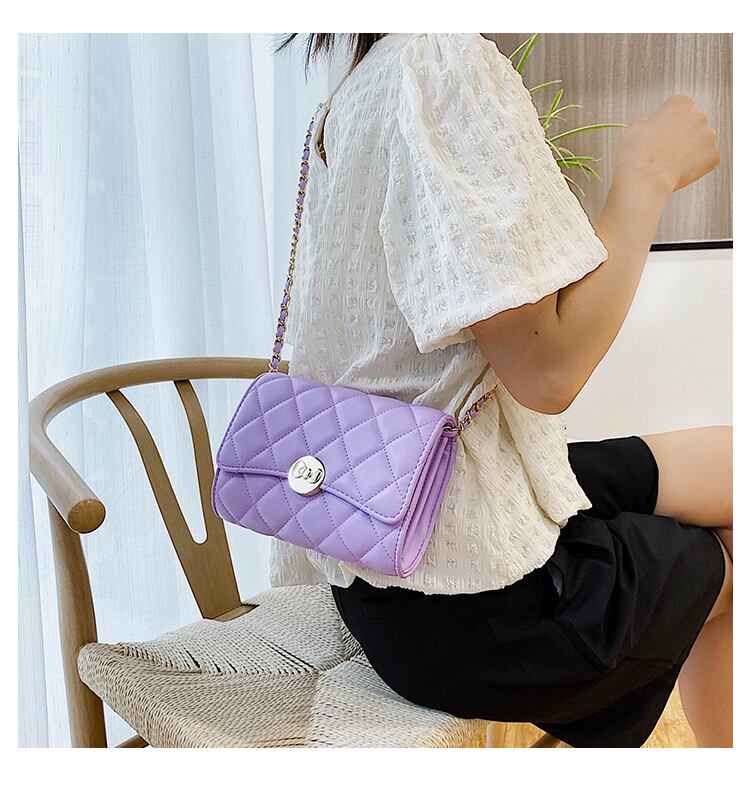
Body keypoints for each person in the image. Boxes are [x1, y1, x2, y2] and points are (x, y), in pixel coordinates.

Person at [271, 32, 731, 748]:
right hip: (487, 613)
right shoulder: (440, 58)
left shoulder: (355, 90)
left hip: (387, 566)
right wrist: (647, 173)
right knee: (729, 552)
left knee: (728, 462)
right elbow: (549, 371)